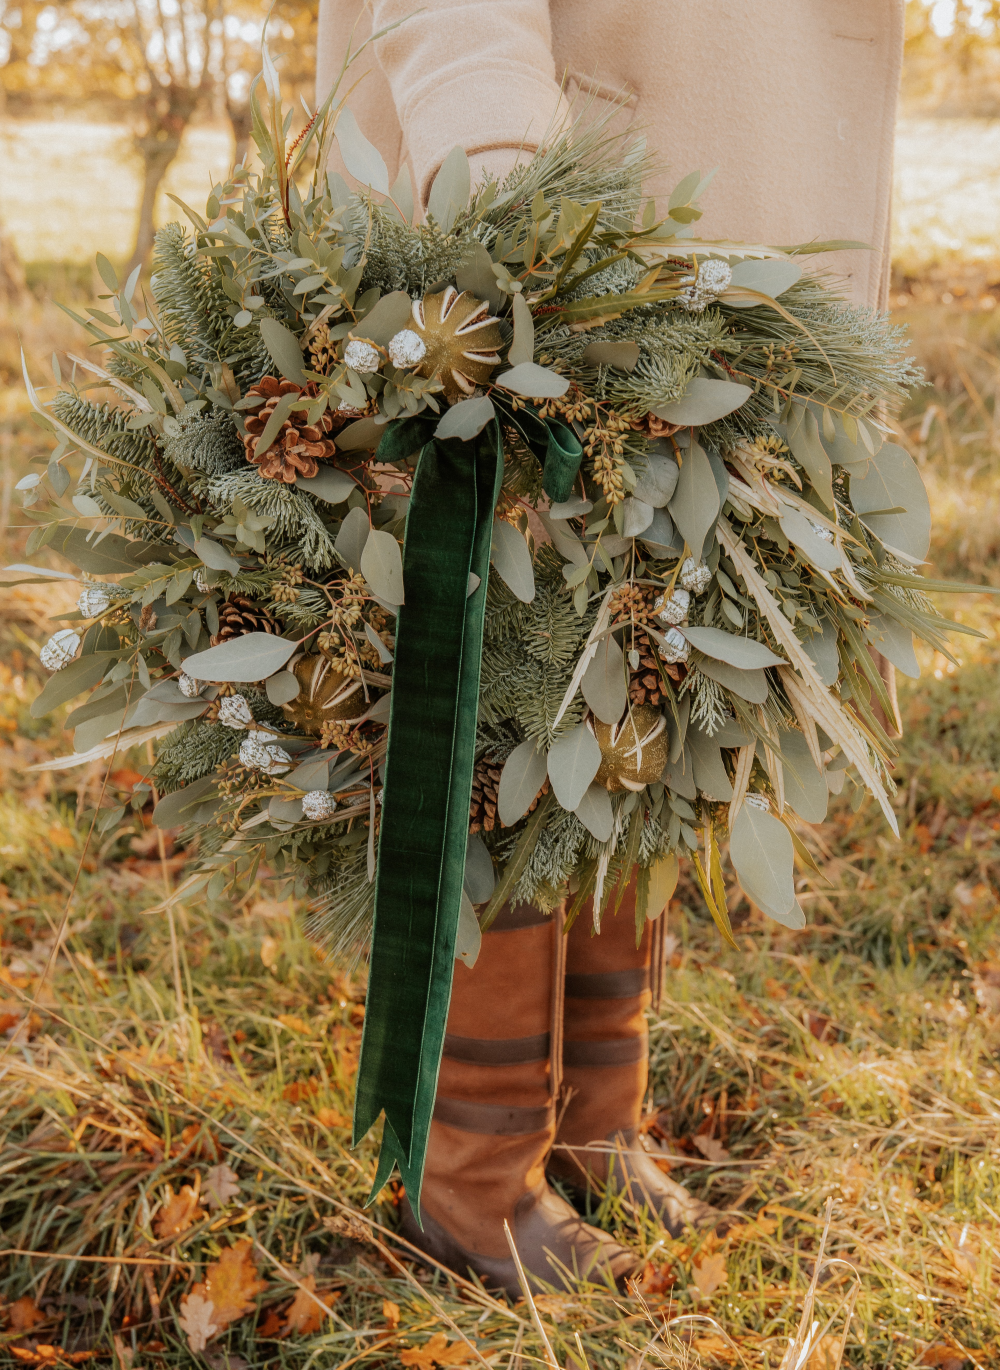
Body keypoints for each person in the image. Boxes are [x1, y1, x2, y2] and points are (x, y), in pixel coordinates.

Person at [316, 0, 906, 1292]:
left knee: (638, 684)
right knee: (520, 684)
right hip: (563, 229)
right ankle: (473, 1173)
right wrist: (521, 208)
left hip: (720, 254)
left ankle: (592, 1116)